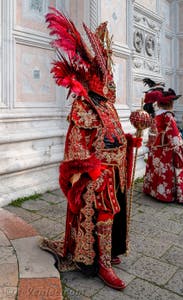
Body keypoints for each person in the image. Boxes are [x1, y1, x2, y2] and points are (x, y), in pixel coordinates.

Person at [39, 7, 142, 290]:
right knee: (104, 212)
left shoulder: (107, 105)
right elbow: (75, 144)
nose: (109, 78)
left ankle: (106, 253)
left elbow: (114, 134)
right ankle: (101, 263)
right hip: (96, 175)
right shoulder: (83, 105)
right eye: (103, 70)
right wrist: (89, 171)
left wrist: (131, 141)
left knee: (112, 213)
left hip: (114, 171)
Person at [143, 88, 183, 204]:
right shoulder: (168, 115)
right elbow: (173, 133)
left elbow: (152, 131)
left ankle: (153, 190)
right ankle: (166, 194)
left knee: (156, 168)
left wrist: (151, 144)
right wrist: (178, 146)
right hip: (167, 147)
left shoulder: (156, 115)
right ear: (170, 103)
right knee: (166, 169)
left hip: (156, 146)